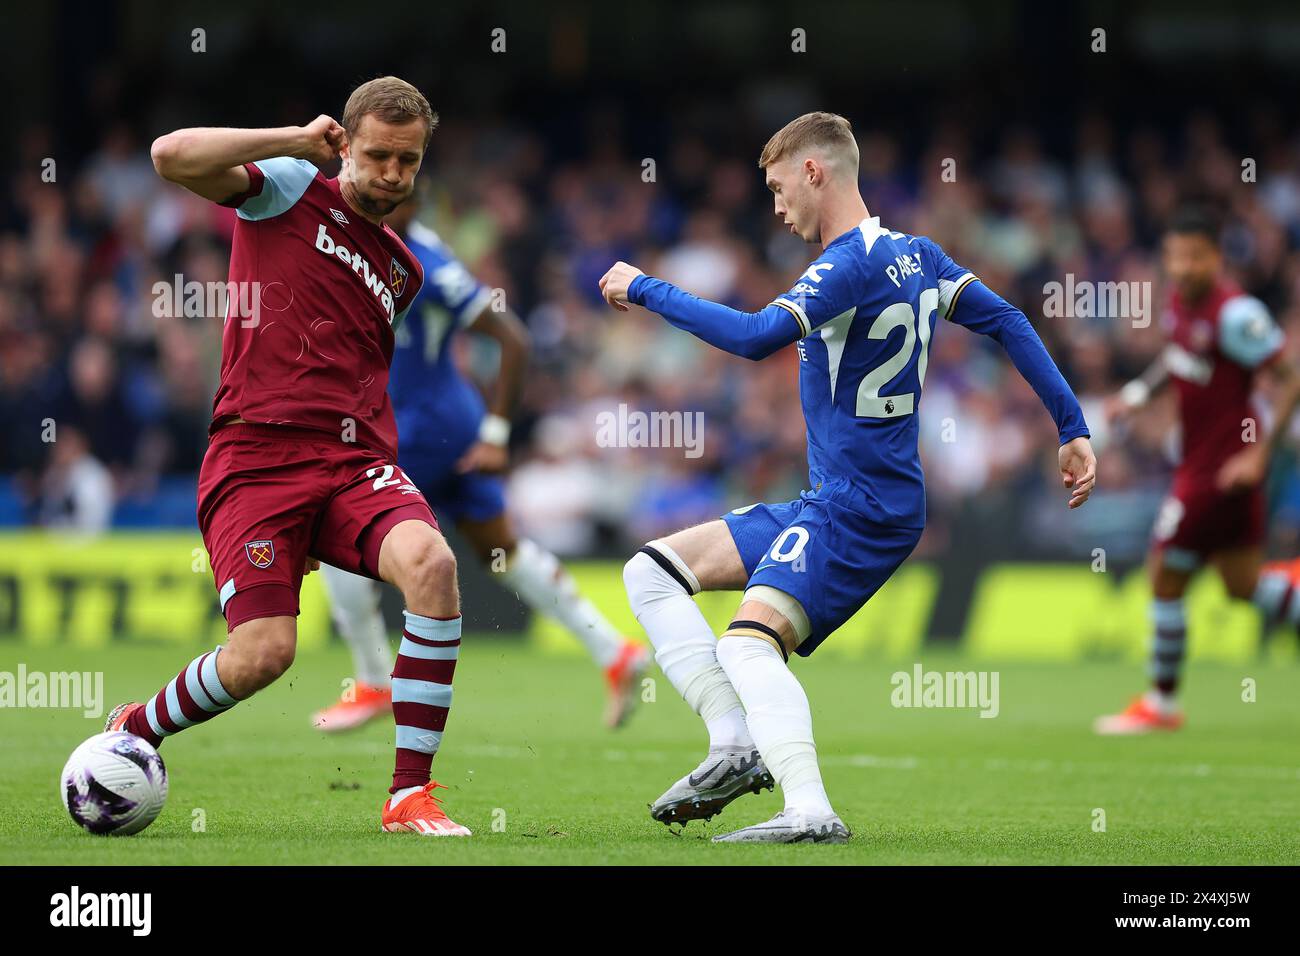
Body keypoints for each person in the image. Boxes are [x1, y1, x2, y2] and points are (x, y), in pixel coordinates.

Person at [602, 112, 1096, 843]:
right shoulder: (918, 255)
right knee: (651, 573)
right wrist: (1072, 427)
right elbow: (1009, 321)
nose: (776, 207)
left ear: (814, 172)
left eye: (777, 188)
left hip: (859, 506)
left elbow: (754, 337)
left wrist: (647, 289)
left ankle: (809, 810)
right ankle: (736, 744)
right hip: (840, 499)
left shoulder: (847, 265)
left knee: (745, 645)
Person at [103, 77, 472, 836]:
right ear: (344, 144)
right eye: (378, 156)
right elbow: (170, 156)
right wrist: (291, 141)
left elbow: (356, 369)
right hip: (258, 458)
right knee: (265, 654)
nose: (394, 175)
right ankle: (138, 726)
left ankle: (409, 797)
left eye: (408, 161)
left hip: (354, 463)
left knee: (433, 567)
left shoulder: (406, 271)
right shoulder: (289, 189)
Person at [313, 192, 648, 734]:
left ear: (410, 203)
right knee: (501, 550)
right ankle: (614, 650)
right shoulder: (369, 243)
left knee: (336, 525)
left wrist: (497, 435)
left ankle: (374, 680)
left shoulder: (431, 263)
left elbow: (512, 337)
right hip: (443, 420)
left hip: (422, 428)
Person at [1095, 207, 1300, 734]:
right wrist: (1136, 395)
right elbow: (1176, 359)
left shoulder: (1237, 315)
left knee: (1164, 575)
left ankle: (1162, 706)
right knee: (1241, 585)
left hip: (1220, 471)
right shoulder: (1177, 306)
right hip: (1205, 466)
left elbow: (1289, 376)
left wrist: (1259, 455)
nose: (1185, 266)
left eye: (1196, 256)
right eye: (1176, 256)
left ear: (1216, 257)